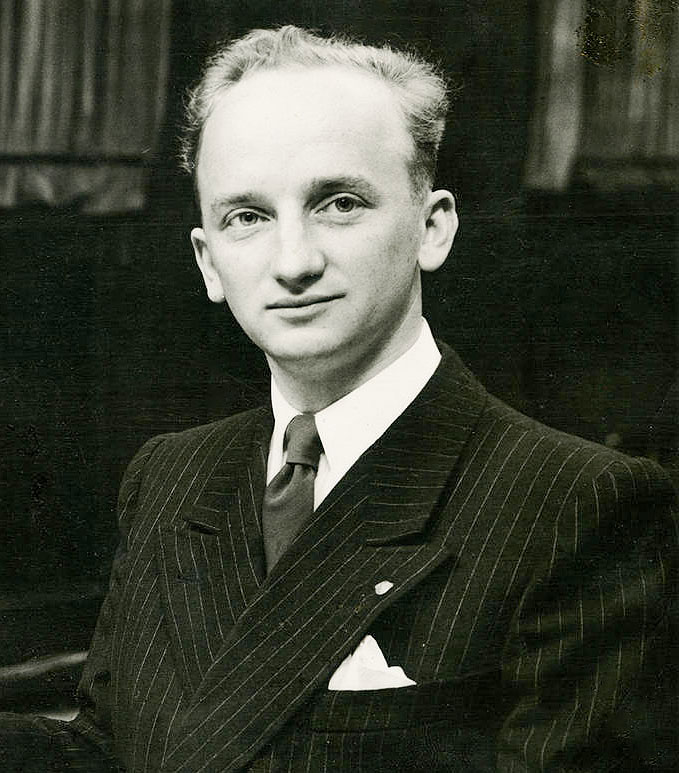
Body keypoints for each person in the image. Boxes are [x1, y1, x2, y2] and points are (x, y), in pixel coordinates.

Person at [1, 24, 677, 773]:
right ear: (208, 261)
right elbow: (109, 747)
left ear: (431, 227)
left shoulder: (575, 503)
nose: (293, 262)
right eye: (248, 217)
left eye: (339, 203)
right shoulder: (169, 474)